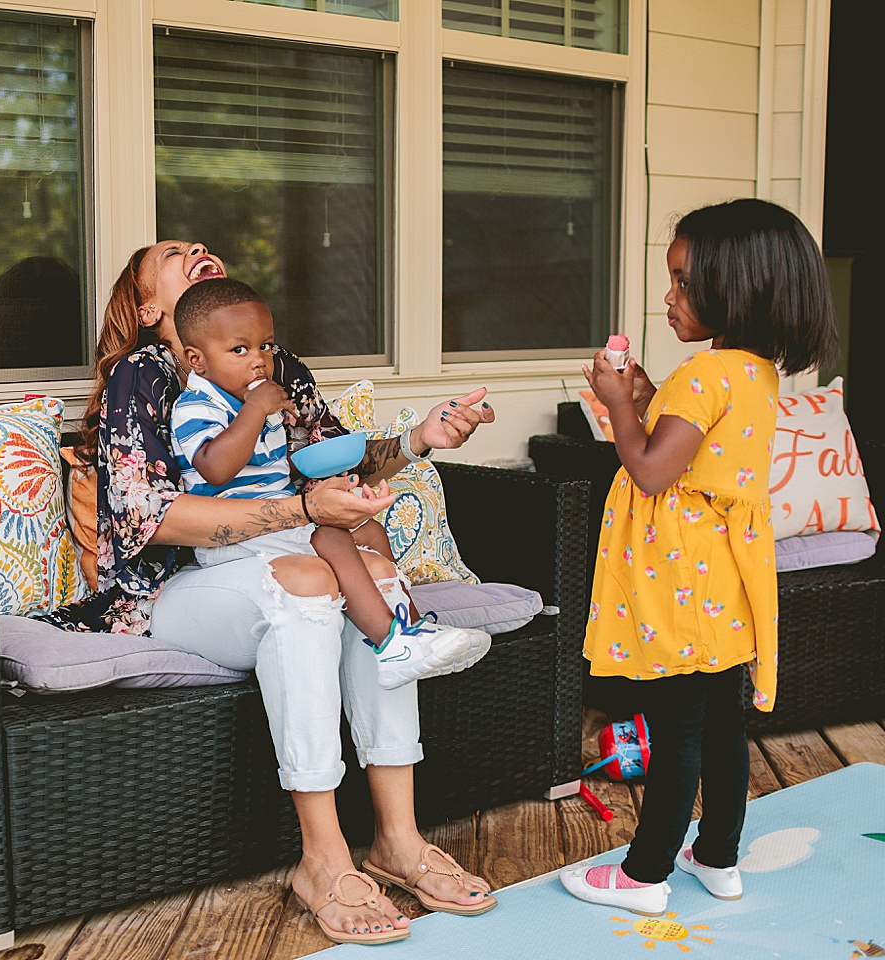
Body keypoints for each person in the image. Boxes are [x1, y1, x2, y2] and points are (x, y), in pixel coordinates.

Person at [44, 240, 499, 944]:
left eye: (200, 244)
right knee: (307, 581)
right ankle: (322, 859)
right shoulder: (147, 375)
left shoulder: (277, 368)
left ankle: (399, 842)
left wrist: (418, 438)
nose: (197, 247)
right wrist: (302, 514)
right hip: (179, 589)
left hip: (278, 551)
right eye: (172, 253)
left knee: (374, 577)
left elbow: (337, 458)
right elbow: (149, 517)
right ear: (152, 310)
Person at [560, 199, 838, 915]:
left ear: (737, 286)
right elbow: (697, 452)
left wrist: (619, 405)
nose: (669, 297)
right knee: (721, 723)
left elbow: (653, 469)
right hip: (723, 578)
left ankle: (645, 873)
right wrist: (648, 395)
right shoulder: (752, 373)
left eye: (683, 281)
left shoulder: (704, 376)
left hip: (677, 578)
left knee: (674, 731)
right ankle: (717, 857)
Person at [167, 276, 490, 689]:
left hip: (279, 527)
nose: (259, 360)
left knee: (370, 531)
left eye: (265, 345)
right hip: (235, 541)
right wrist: (255, 410)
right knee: (332, 536)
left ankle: (412, 626)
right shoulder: (197, 405)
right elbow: (215, 468)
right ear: (196, 359)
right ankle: (389, 643)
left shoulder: (258, 400)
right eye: (239, 349)